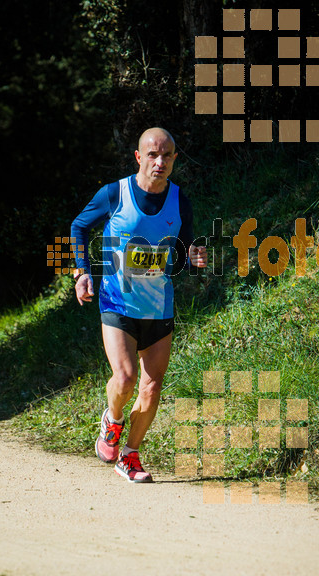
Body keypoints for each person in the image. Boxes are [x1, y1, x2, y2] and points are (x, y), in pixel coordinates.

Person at [71, 127, 206, 483]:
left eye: (167, 156)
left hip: (159, 308)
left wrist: (192, 255)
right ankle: (112, 420)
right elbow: (79, 227)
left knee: (151, 388)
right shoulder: (114, 194)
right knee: (126, 377)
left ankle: (129, 455)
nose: (159, 162)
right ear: (138, 157)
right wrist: (81, 273)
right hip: (117, 303)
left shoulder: (180, 200)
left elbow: (182, 249)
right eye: (152, 155)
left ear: (175, 159)